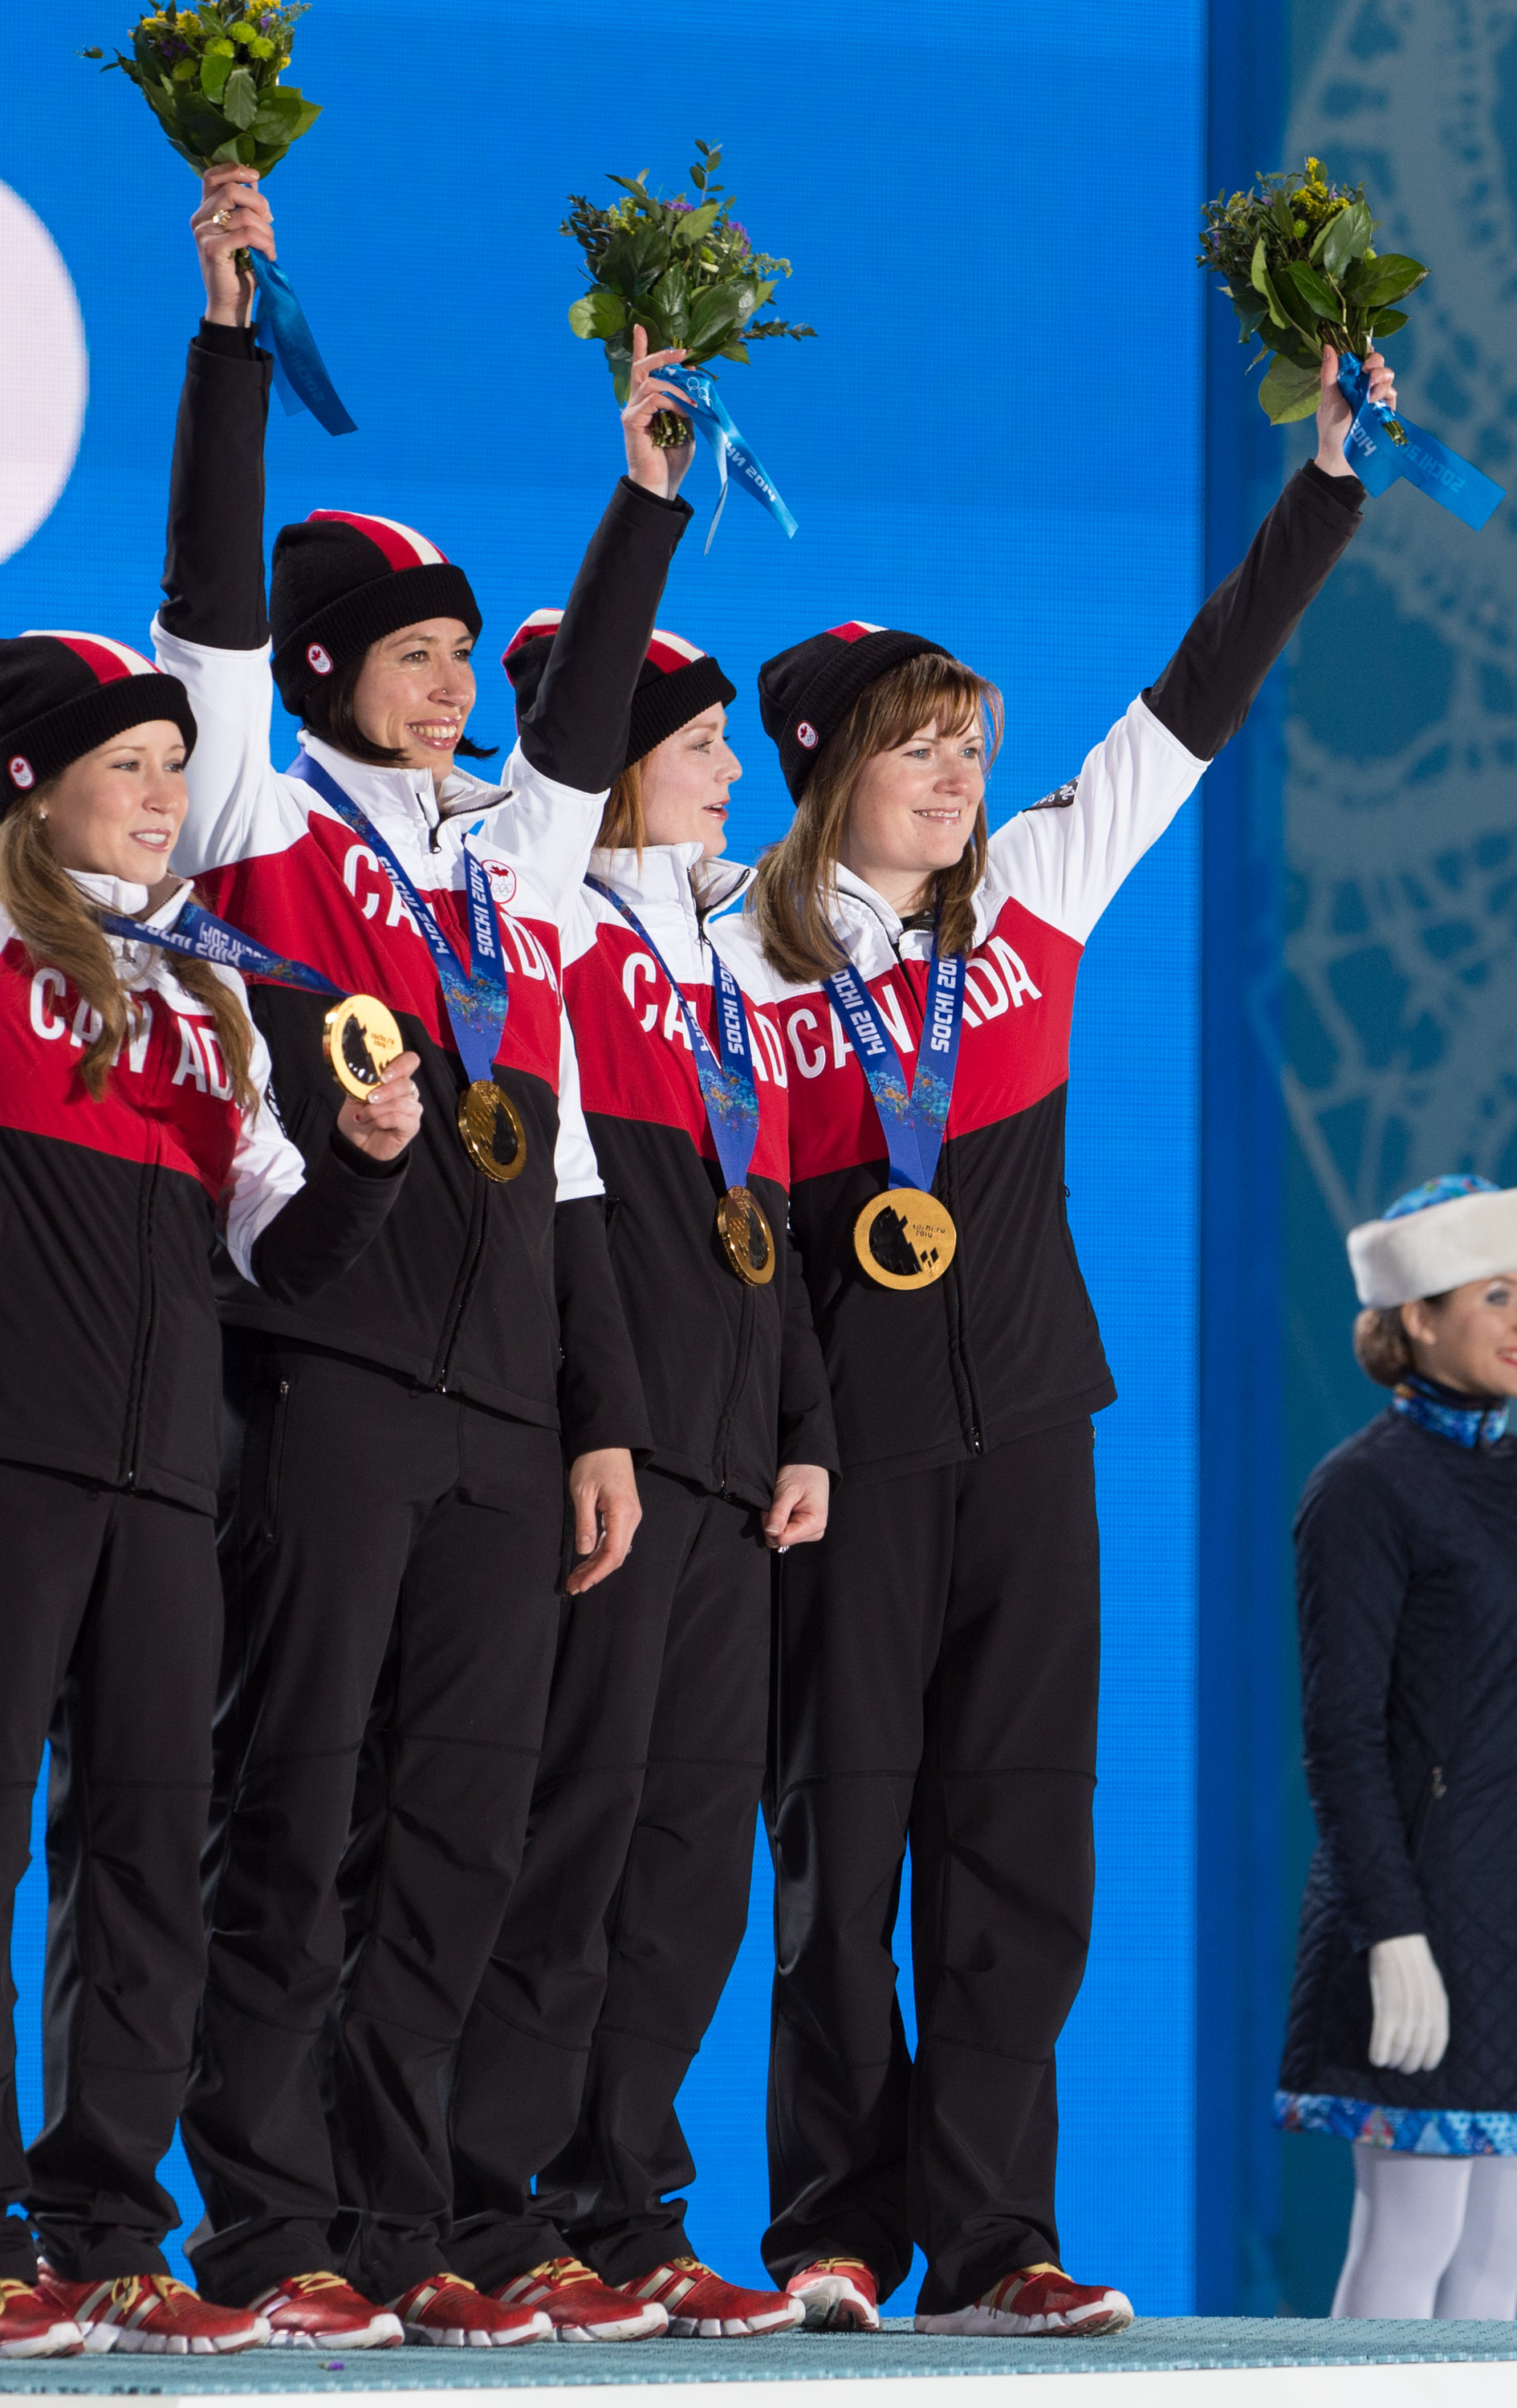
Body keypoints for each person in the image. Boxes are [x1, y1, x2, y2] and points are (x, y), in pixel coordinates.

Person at [0, 338, 423, 2357]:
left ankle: (113, 2225)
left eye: (173, 770)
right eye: (132, 768)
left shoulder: (213, 996)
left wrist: (368, 1161)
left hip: (169, 1482)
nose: (166, 799)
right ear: (35, 784)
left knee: (143, 1851)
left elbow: (275, 1248)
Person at [748, 341, 1397, 2337]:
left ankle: (993, 2241)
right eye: (919, 750)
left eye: (972, 744)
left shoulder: (1031, 892)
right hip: (840, 1457)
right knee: (843, 1841)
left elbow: (1195, 699)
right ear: (825, 768)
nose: (960, 779)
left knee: (1018, 1839)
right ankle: (832, 2236)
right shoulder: (731, 957)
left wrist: (1325, 488)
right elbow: (735, 1247)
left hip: (1030, 1427)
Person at [152, 166, 692, 2345]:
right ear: (319, 673)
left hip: (502, 1404)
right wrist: (226, 347)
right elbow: (203, 608)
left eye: (467, 654)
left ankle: (411, 2224)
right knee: (295, 1809)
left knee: (464, 1827)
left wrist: (645, 496)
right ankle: (265, 2226)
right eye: (417, 655)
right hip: (325, 1374)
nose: (459, 685)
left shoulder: (505, 866)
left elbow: (559, 1174)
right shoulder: (255, 818)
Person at [441, 617, 837, 2338]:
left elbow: (769, 1222)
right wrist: (598, 1413)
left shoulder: (723, 958)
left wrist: (804, 1428)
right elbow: (573, 1214)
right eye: (699, 745)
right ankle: (491, 2198)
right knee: (574, 1839)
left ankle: (627, 2208)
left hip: (732, 1470)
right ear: (612, 763)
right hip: (616, 1458)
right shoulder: (552, 935)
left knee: (689, 1866)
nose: (734, 772)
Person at [1276, 1173, 1517, 2320]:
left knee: (1502, 2258)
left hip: (1506, 1907)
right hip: (1421, 1909)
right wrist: (1394, 1931)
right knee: (1412, 2231)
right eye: (1495, 1295)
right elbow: (1340, 1736)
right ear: (1415, 1316)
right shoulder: (1362, 1491)